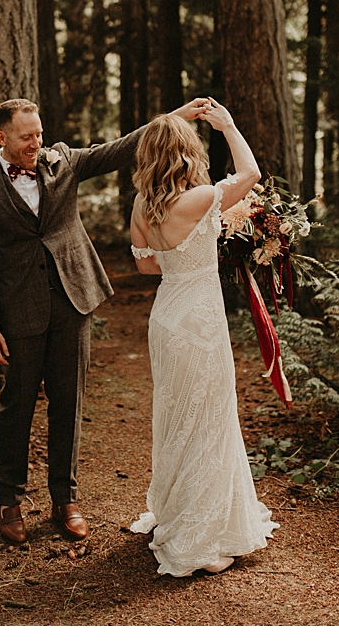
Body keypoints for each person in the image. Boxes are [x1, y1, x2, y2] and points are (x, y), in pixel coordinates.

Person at [0, 95, 212, 545]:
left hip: (75, 298)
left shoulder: (64, 161)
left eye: (38, 134)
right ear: (1, 137)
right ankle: (8, 501)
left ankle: (65, 499)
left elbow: (120, 148)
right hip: (19, 310)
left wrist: (174, 118)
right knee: (16, 405)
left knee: (68, 401)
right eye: (25, 137)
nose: (36, 143)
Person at [125, 100, 278, 575]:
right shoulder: (199, 198)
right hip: (200, 318)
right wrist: (229, 124)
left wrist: (182, 259)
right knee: (209, 416)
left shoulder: (143, 206)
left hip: (168, 315)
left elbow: (146, 265)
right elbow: (249, 173)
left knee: (176, 415)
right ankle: (200, 529)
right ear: (186, 153)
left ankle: (175, 509)